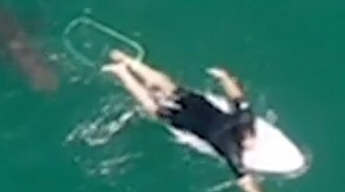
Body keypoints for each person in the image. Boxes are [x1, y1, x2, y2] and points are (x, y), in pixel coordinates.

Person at [101, 49, 263, 192]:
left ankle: (126, 63)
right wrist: (224, 78)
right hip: (188, 119)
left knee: (168, 87)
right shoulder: (231, 149)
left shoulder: (243, 119)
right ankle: (122, 71)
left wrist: (224, 77)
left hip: (196, 106)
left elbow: (237, 97)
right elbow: (246, 182)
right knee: (154, 106)